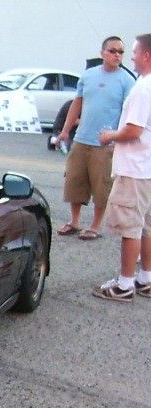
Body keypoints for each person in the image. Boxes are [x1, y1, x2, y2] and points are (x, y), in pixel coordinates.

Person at [56, 36, 135, 240]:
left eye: (121, 52)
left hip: (106, 142)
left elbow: (129, 113)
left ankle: (95, 226)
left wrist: (118, 138)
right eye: (112, 51)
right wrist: (65, 131)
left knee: (102, 186)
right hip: (82, 138)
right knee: (74, 180)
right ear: (102, 53)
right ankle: (74, 221)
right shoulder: (88, 75)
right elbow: (77, 103)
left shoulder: (127, 80)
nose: (117, 55)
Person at [92, 33, 151, 302]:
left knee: (130, 228)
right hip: (146, 168)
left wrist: (110, 136)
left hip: (135, 170)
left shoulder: (143, 88)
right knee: (146, 226)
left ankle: (125, 284)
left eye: (135, 52)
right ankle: (146, 278)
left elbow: (134, 130)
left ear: (146, 55)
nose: (132, 58)